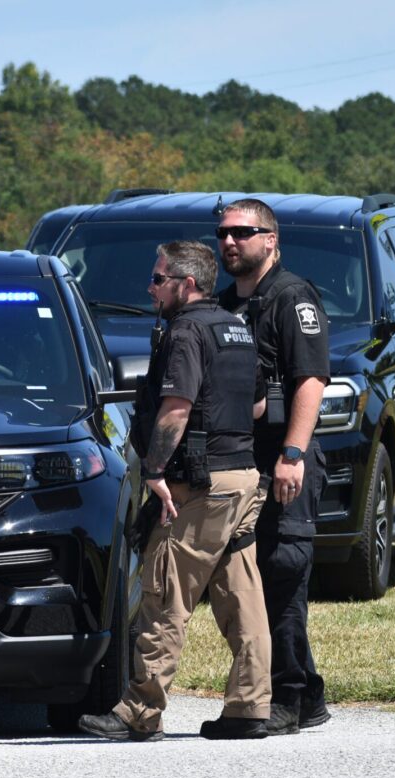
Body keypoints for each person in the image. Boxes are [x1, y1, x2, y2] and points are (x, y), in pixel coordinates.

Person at [78, 240, 272, 742]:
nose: (151, 287)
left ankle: (140, 711)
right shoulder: (236, 327)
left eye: (158, 279)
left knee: (164, 592)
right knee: (241, 595)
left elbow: (177, 408)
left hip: (199, 486)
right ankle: (250, 707)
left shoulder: (186, 331)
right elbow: (254, 408)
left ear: (186, 284)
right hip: (243, 480)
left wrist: (157, 471)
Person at [216, 198, 332, 736]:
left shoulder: (291, 298)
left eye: (243, 232)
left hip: (283, 462)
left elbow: (310, 380)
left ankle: (287, 695)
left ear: (271, 240)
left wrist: (293, 453)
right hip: (239, 466)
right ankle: (304, 691)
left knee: (282, 573)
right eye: (223, 233)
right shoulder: (225, 305)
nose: (230, 241)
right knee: (250, 577)